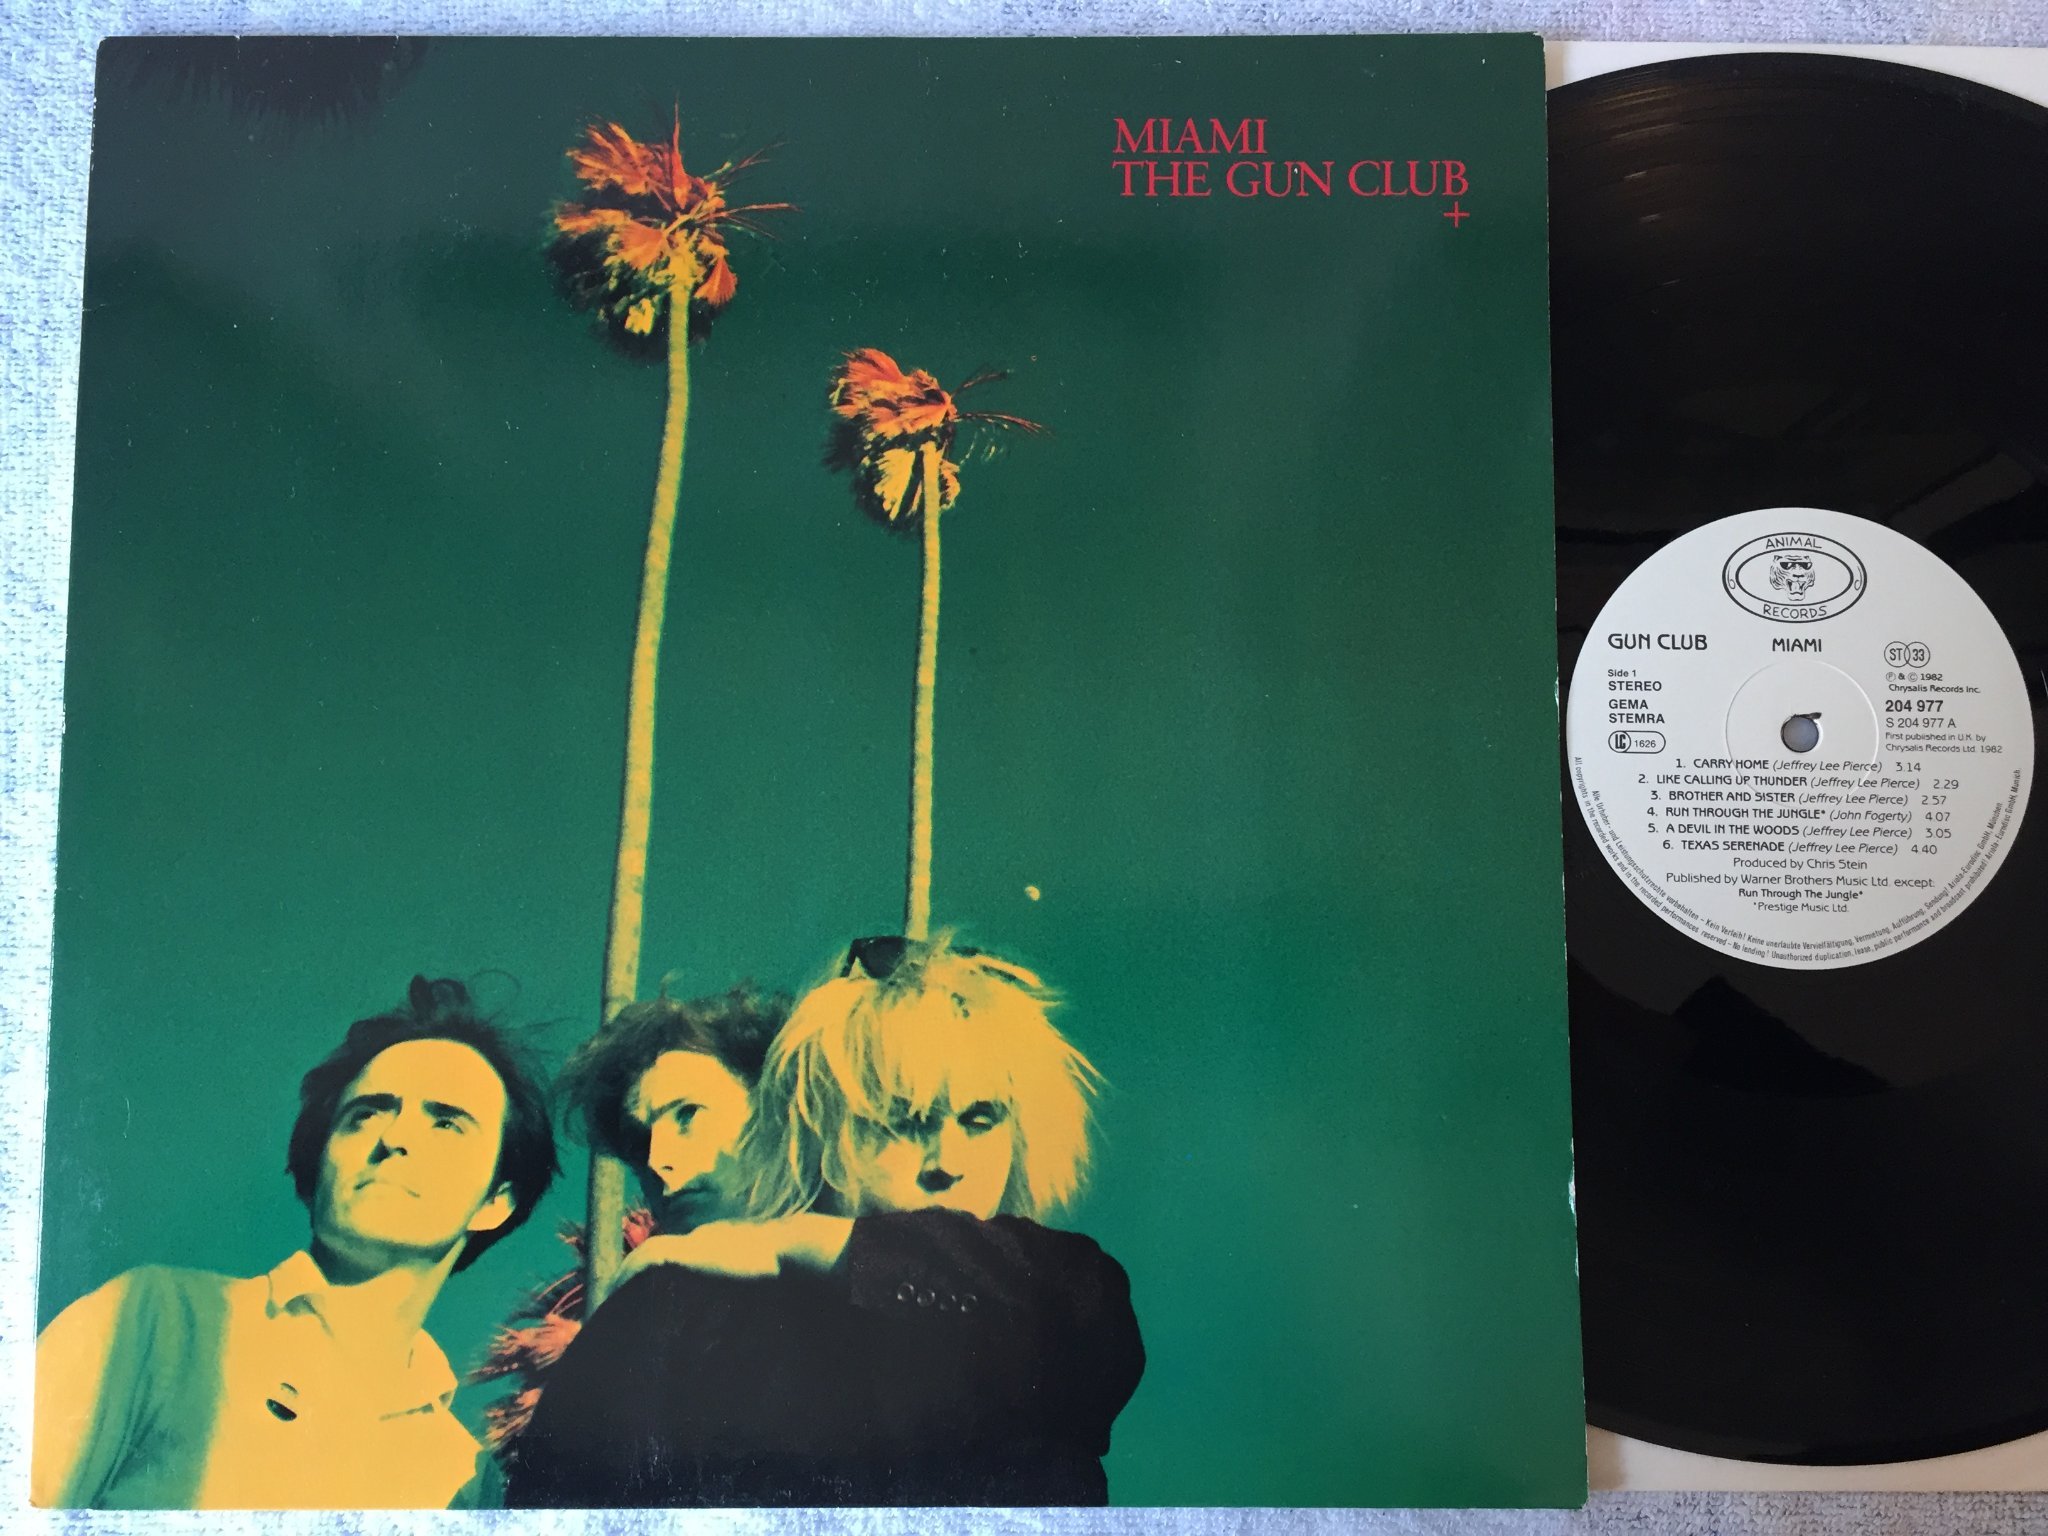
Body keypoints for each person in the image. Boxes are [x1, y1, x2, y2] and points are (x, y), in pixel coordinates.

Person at [504, 934, 1145, 1508]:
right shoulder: (666, 1309)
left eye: (982, 1121)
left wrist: (785, 1242)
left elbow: (1085, 1314)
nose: (949, 1162)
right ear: (821, 1128)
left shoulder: (1055, 1291)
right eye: (903, 1119)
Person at [32, 976, 560, 1510]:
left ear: (496, 1201)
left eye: (446, 1124)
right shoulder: (156, 1322)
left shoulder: (464, 1481)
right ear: (321, 1157)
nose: (394, 1138)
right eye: (364, 1115)